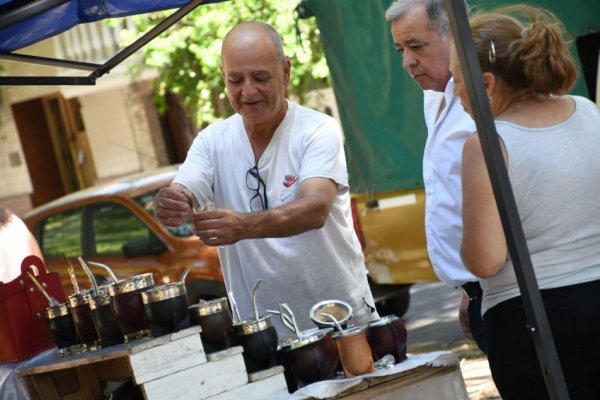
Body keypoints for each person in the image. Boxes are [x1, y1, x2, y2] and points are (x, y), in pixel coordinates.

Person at [153, 21, 378, 336]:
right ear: (223, 77)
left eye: (260, 77)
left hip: (340, 321)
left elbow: (315, 208)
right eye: (236, 79)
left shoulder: (316, 129)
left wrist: (243, 226)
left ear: (285, 72)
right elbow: (184, 190)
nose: (248, 91)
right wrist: (172, 203)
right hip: (263, 335)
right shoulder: (211, 141)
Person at [453, 5, 600, 399]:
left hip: (535, 321)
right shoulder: (587, 112)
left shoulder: (487, 143)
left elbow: (485, 259)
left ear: (485, 84)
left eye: (456, 80)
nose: (455, 93)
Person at [384, 0, 486, 352]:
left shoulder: (485, 96)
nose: (407, 62)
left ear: (455, 36)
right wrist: (469, 290)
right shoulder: (435, 97)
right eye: (400, 49)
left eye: (416, 46)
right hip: (480, 291)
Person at [0, 208, 44, 283]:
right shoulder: (14, 220)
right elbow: (39, 262)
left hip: (12, 292)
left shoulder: (14, 221)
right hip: (36, 288)